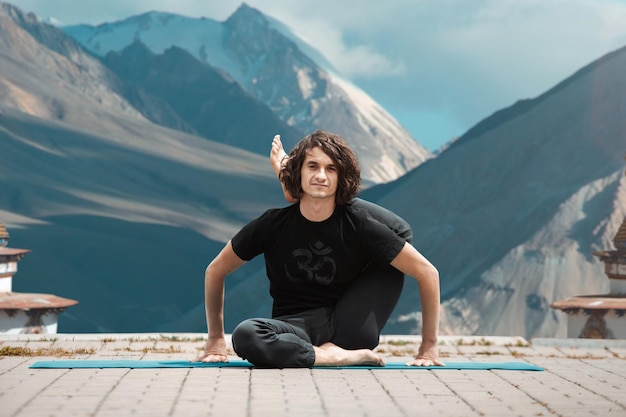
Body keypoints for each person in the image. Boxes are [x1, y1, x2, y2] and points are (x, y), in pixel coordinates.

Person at [194, 130, 443, 367]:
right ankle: (328, 356)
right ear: (300, 172)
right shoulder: (272, 224)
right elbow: (215, 271)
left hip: (349, 329)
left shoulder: (357, 224)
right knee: (246, 334)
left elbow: (427, 272)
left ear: (341, 177)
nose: (321, 175)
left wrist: (429, 347)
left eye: (331, 169)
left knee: (398, 239)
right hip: (295, 328)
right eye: (312, 166)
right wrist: (216, 340)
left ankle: (294, 187)